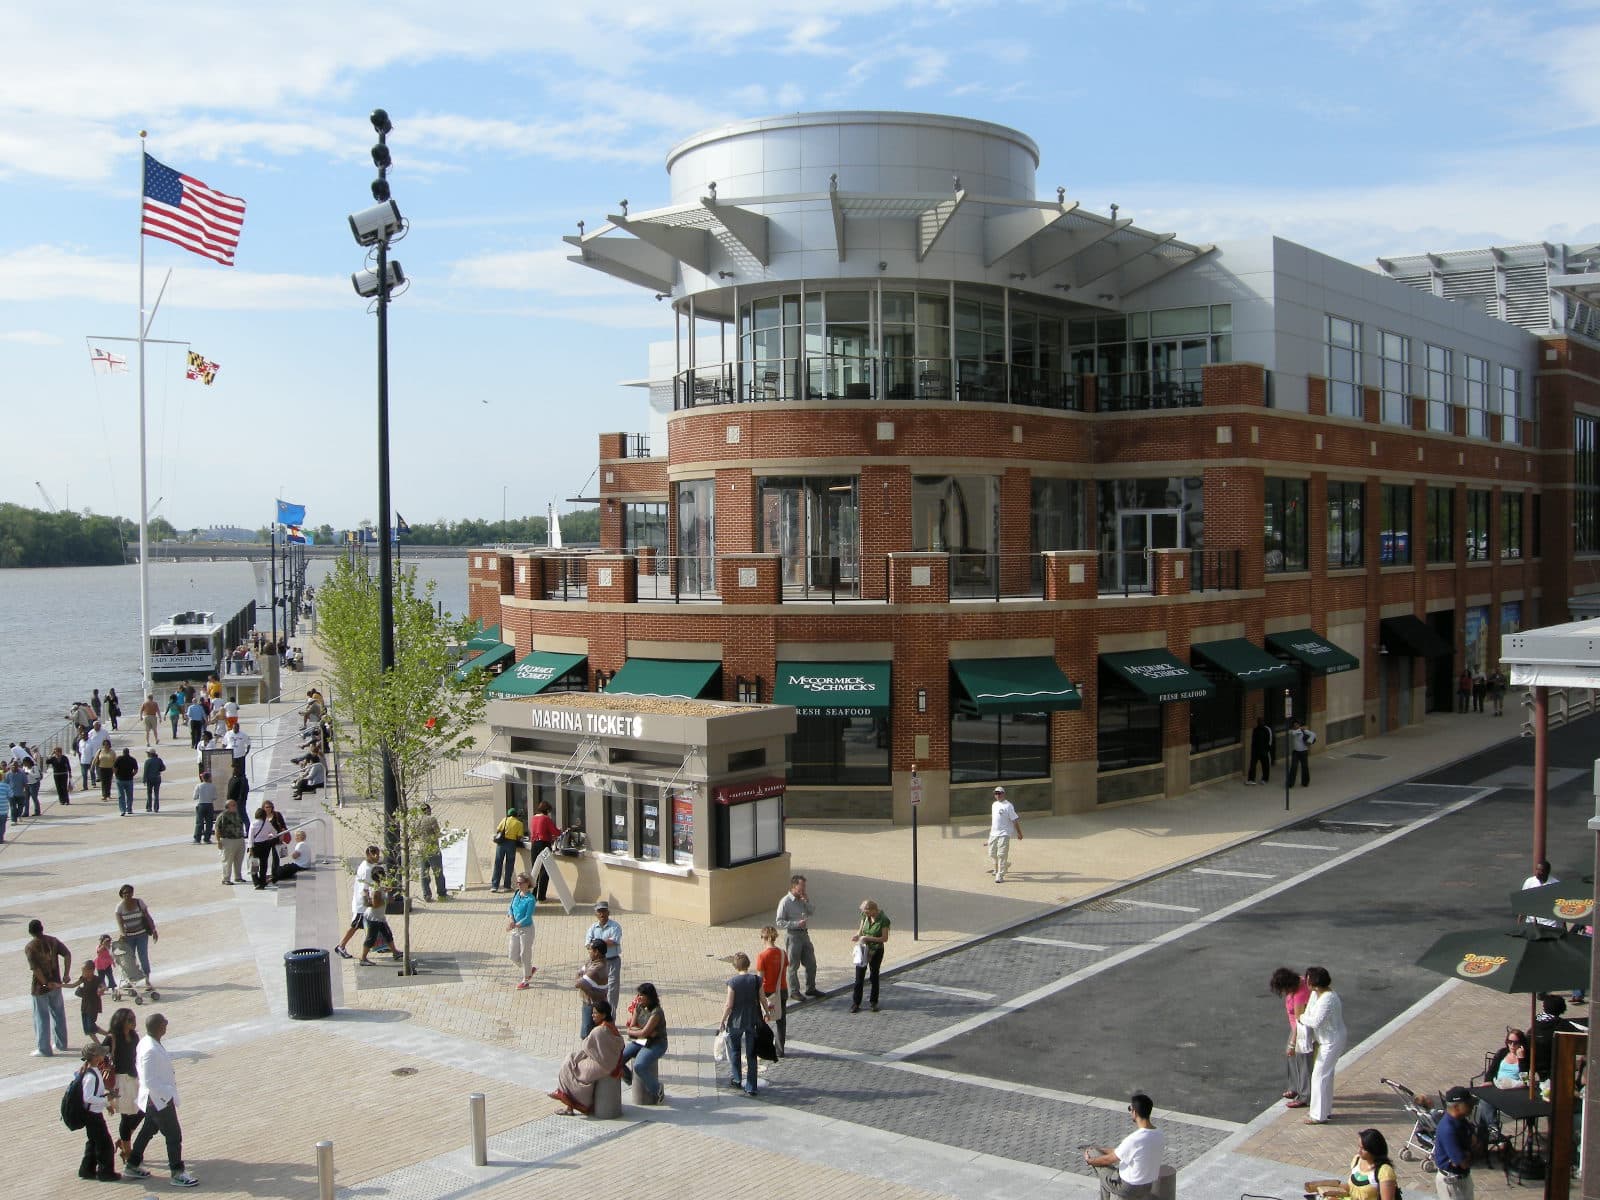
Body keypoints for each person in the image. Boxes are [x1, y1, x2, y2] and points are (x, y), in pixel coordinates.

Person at [121, 1013, 198, 1187]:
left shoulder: (147, 1043)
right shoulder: (149, 1049)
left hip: (155, 1099)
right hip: (159, 1100)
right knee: (173, 1135)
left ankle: (132, 1164)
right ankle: (177, 1172)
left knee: (148, 1130)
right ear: (159, 1027)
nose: (166, 1025)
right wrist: (168, 1093)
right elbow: (149, 1080)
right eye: (164, 1023)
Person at [549, 999, 624, 1115]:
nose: (593, 1015)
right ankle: (568, 1104)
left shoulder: (598, 1031)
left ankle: (571, 1102)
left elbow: (587, 1047)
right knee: (571, 1059)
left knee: (572, 1069)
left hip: (602, 1065)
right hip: (609, 1062)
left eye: (595, 1013)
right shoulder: (611, 1027)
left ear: (603, 1015)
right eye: (592, 1012)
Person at [1084, 1092, 1165, 1199]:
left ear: (1134, 1112)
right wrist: (1100, 1149)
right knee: (1105, 1178)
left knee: (1093, 1155)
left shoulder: (1134, 1139)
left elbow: (1110, 1160)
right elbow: (1121, 1151)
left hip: (1127, 1187)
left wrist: (1089, 1161)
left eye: (1130, 1108)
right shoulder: (1159, 1134)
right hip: (1147, 1185)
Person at [1299, 965, 1346, 1124]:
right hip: (1327, 1040)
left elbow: (1316, 1021)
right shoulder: (1317, 994)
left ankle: (1318, 1115)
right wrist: (1306, 1016)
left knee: (1319, 1075)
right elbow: (1310, 1010)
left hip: (1331, 1041)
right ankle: (1325, 1111)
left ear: (1314, 983)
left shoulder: (1328, 999)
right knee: (1326, 1075)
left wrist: (1301, 1018)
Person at [721, 951, 769, 1096]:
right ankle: (751, 1086)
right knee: (751, 1054)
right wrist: (767, 1012)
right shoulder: (756, 980)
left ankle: (736, 1079)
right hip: (753, 1020)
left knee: (734, 1050)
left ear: (735, 966)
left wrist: (722, 1020)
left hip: (735, 1021)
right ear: (748, 964)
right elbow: (762, 999)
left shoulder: (733, 982)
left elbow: (729, 1005)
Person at [1303, 1128, 1398, 1200]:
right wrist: (1325, 1189)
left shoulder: (1385, 1172)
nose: (1359, 1151)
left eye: (1363, 1149)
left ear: (1374, 1150)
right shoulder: (1357, 1160)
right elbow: (1351, 1187)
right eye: (1359, 1147)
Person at [24, 917, 70, 1056]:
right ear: (42, 928)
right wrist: (66, 974)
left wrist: (45, 982)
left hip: (40, 987)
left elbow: (36, 969)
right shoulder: (53, 941)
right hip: (56, 983)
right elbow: (67, 954)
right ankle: (62, 1044)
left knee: (41, 1017)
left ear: (30, 932)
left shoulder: (30, 947)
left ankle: (44, 1049)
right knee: (59, 1013)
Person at [75, 1042, 120, 1182]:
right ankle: (105, 1173)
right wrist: (106, 1101)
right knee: (105, 1144)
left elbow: (97, 1093)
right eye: (101, 1053)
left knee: (94, 1142)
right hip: (92, 1116)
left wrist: (106, 1101)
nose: (104, 1055)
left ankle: (86, 1169)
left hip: (94, 1114)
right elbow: (88, 1097)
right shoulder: (91, 1076)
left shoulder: (93, 1071)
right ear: (95, 1057)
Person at [1270, 967, 1314, 1108]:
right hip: (1296, 1027)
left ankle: (1305, 1096)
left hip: (1302, 1030)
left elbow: (1300, 1022)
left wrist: (1292, 1044)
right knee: (1292, 1057)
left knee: (1303, 1061)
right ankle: (1295, 1087)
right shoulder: (1299, 982)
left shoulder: (1300, 995)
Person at [106, 1006, 143, 1164]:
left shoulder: (134, 1036)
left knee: (143, 1110)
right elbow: (99, 1056)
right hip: (120, 1080)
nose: (133, 1022)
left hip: (134, 1078)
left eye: (134, 1019)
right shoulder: (112, 1038)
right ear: (120, 1021)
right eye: (130, 1020)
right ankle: (128, 1152)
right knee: (126, 1116)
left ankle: (122, 1142)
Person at [620, 982, 668, 1102]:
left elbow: (640, 1032)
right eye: (638, 995)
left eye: (642, 995)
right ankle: (632, 1080)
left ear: (650, 996)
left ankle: (657, 1089)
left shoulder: (656, 1012)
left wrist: (638, 1031)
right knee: (617, 1060)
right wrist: (639, 1031)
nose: (639, 998)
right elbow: (631, 1029)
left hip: (657, 1043)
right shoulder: (639, 1007)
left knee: (639, 1066)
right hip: (640, 1041)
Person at [777, 874, 823, 999]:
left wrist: (807, 901)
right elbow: (779, 921)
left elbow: (811, 912)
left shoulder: (802, 899)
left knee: (811, 963)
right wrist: (796, 923)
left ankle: (810, 988)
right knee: (793, 965)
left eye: (804, 887)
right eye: (801, 887)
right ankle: (794, 991)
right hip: (793, 936)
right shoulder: (785, 902)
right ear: (794, 886)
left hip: (804, 935)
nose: (803, 890)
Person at [335, 846, 382, 958]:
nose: (377, 857)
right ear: (368, 855)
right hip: (361, 905)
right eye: (374, 854)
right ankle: (341, 946)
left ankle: (378, 945)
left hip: (361, 903)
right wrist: (369, 904)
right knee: (355, 926)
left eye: (378, 854)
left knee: (374, 924)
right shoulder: (367, 869)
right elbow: (365, 889)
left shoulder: (366, 865)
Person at [1432, 1087, 1476, 1200]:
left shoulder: (1461, 1121)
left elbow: (1475, 1142)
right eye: (1468, 1104)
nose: (1472, 1106)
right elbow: (1463, 1162)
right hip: (1451, 1184)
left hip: (1464, 1178)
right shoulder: (1448, 1129)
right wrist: (1468, 1153)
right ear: (1456, 1106)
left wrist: (1467, 1153)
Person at [850, 898, 891, 1013]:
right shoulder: (865, 917)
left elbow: (884, 938)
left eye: (866, 912)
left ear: (873, 910)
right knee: (859, 977)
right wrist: (857, 936)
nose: (865, 914)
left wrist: (868, 938)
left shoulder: (884, 920)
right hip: (863, 948)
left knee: (874, 976)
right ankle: (856, 1003)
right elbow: (860, 931)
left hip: (876, 950)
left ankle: (873, 1002)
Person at [115, 885, 158, 986]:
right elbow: (120, 924)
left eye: (129, 892)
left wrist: (154, 929)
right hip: (129, 937)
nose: (127, 895)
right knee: (130, 959)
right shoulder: (119, 908)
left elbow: (147, 916)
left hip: (142, 934)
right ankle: (131, 980)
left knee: (143, 956)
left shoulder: (139, 902)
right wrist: (123, 934)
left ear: (132, 893)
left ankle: (147, 980)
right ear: (121, 894)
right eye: (125, 893)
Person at [756, 925, 789, 1056]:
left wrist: (758, 995)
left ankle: (764, 1047)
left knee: (763, 1019)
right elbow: (785, 969)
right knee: (781, 1020)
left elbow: (760, 979)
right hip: (782, 990)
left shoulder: (762, 956)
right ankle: (780, 1049)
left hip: (768, 992)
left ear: (764, 938)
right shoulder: (782, 953)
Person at [585, 901, 623, 1014]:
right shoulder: (592, 928)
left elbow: (613, 941)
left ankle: (611, 1017)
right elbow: (588, 943)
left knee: (612, 990)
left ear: (608, 912)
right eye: (599, 911)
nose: (602, 914)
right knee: (595, 988)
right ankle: (596, 1015)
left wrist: (597, 944)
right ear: (595, 914)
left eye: (604, 911)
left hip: (612, 961)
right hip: (596, 963)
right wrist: (597, 945)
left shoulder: (615, 926)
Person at [357, 867, 400, 965]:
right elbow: (375, 904)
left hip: (379, 917)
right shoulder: (376, 890)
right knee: (371, 938)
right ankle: (363, 958)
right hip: (374, 918)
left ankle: (395, 952)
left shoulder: (378, 886)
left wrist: (386, 891)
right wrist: (387, 899)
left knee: (387, 934)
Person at [506, 873, 537, 988]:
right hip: (516, 929)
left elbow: (528, 917)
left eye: (520, 882)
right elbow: (510, 908)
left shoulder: (531, 899)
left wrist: (516, 924)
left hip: (526, 930)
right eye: (517, 882)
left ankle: (526, 979)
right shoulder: (516, 894)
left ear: (527, 883)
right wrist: (511, 919)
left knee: (525, 954)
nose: (518, 884)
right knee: (512, 955)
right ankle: (528, 970)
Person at [987, 784, 1023, 883]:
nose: (997, 795)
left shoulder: (1008, 806)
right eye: (996, 793)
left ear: (1004, 794)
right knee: (992, 853)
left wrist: (1019, 833)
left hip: (1004, 834)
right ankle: (1004, 865)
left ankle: (1000, 874)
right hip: (993, 834)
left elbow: (1014, 820)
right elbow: (995, 821)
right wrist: (989, 837)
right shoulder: (994, 805)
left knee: (1001, 854)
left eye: (999, 793)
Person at [575, 939, 611, 1035]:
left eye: (590, 950)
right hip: (589, 1001)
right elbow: (579, 973)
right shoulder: (592, 961)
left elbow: (578, 983)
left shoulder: (597, 968)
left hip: (593, 1004)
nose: (589, 952)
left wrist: (582, 978)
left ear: (597, 952)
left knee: (587, 1032)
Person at [527, 800, 560, 901]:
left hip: (534, 845)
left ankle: (533, 894)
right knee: (545, 870)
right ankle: (541, 896)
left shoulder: (533, 818)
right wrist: (560, 831)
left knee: (535, 869)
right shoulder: (546, 819)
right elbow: (555, 832)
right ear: (547, 810)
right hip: (544, 845)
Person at [415, 802, 448, 900]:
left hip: (421, 850)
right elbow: (437, 833)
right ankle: (441, 893)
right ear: (428, 810)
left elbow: (414, 835)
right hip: (433, 849)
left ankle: (426, 894)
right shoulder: (432, 819)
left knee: (424, 873)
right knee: (438, 872)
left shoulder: (416, 821)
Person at [490, 806, 525, 892]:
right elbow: (519, 836)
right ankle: (506, 886)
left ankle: (494, 886)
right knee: (509, 865)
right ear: (516, 815)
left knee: (498, 864)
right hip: (511, 844)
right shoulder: (519, 823)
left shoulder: (504, 820)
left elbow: (498, 830)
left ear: (509, 814)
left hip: (501, 844)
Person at [216, 797, 247, 884]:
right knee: (228, 860)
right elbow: (217, 829)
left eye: (235, 805)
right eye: (233, 805)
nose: (235, 806)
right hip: (228, 840)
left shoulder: (237, 814)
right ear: (227, 807)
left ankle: (238, 876)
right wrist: (218, 841)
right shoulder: (222, 816)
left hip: (239, 839)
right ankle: (226, 878)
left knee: (239, 859)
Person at [74, 961, 107, 1040]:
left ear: (91, 970)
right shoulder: (82, 979)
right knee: (88, 1030)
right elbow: (73, 986)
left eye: (84, 971)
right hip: (84, 1007)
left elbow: (104, 986)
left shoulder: (97, 979)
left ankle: (109, 1035)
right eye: (82, 971)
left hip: (93, 1007)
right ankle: (100, 1045)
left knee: (91, 1026)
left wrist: (101, 990)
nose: (83, 973)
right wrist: (60, 985)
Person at [1246, 715, 1274, 785]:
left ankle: (1265, 779)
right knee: (1252, 765)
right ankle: (1251, 779)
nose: (1260, 723)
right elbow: (1253, 741)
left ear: (1264, 722)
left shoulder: (1267, 729)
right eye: (1259, 721)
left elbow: (1270, 740)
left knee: (1265, 765)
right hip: (1255, 751)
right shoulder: (1255, 729)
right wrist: (1253, 750)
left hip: (1264, 751)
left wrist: (1267, 750)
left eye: (1261, 721)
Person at [1287, 719, 1315, 789]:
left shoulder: (1304, 731)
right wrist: (1300, 729)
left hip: (1304, 752)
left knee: (1305, 767)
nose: (1296, 726)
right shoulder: (1292, 731)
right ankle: (1290, 783)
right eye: (1294, 725)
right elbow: (1293, 733)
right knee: (1293, 767)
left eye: (1297, 724)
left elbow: (1313, 734)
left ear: (1299, 724)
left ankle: (1305, 782)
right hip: (1296, 752)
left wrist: (1309, 741)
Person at [191, 770, 216, 844]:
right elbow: (215, 797)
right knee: (209, 822)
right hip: (209, 805)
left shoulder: (199, 786)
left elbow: (194, 797)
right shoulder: (212, 786)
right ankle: (207, 838)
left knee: (199, 822)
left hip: (201, 804)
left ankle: (197, 839)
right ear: (209, 778)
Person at [141, 748, 165, 813]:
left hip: (150, 779)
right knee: (156, 793)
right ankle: (156, 808)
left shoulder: (148, 761)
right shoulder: (159, 760)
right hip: (157, 778)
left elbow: (145, 771)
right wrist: (158, 770)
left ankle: (149, 807)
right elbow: (163, 768)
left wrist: (144, 780)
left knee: (149, 793)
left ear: (150, 754)